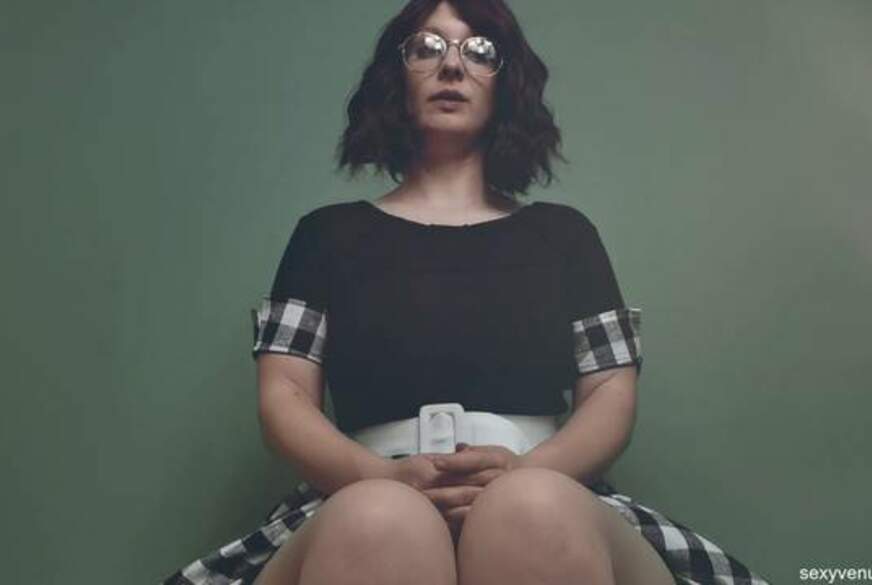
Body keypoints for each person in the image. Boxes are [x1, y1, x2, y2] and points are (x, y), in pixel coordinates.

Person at [161, 1, 772, 584]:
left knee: (530, 510)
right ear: (396, 78)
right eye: (427, 47)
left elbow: (611, 393)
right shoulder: (324, 236)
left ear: (505, 85)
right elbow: (285, 396)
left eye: (479, 51)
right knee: (379, 521)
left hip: (549, 488)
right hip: (363, 494)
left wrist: (527, 472)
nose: (452, 65)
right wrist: (381, 478)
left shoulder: (565, 235)